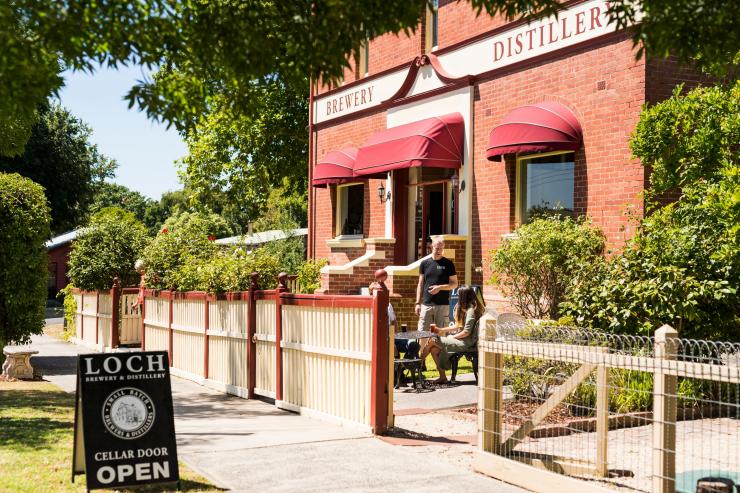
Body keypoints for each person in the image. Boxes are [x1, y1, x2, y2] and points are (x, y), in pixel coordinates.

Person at [419, 285, 484, 384]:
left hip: (465, 343)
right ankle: (442, 377)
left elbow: (466, 332)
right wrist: (441, 330)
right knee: (434, 350)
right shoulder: (466, 308)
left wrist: (452, 337)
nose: (457, 297)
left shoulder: (471, 311)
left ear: (463, 296)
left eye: (459, 295)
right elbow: (458, 325)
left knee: (432, 340)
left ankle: (418, 364)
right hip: (461, 339)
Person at [415, 236, 458, 331]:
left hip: (442, 305)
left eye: (441, 249)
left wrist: (439, 287)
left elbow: (455, 284)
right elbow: (420, 284)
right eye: (437, 248)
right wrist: (417, 303)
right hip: (426, 304)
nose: (439, 251)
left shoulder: (448, 264)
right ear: (431, 247)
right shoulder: (424, 263)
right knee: (422, 333)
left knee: (441, 335)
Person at [369, 281, 419, 359]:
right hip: (381, 341)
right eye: (376, 292)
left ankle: (404, 364)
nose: (380, 294)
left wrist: (395, 337)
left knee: (413, 344)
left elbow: (394, 321)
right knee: (394, 353)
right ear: (371, 294)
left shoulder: (388, 305)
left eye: (381, 291)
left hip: (392, 337)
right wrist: (390, 342)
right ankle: (397, 364)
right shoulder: (370, 308)